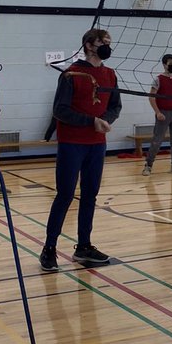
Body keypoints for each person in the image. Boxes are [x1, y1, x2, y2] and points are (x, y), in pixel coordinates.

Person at [39, 28, 121, 273]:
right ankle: (49, 248)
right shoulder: (71, 74)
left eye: (109, 42)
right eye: (102, 42)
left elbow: (115, 106)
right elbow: (60, 110)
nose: (107, 46)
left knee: (90, 195)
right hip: (72, 143)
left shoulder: (110, 74)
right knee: (65, 194)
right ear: (88, 45)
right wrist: (90, 121)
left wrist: (105, 120)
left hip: (97, 144)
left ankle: (83, 246)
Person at [142, 52, 172, 175]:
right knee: (157, 140)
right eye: (170, 63)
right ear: (164, 65)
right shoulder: (158, 79)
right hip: (163, 113)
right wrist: (157, 112)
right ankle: (148, 166)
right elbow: (151, 97)